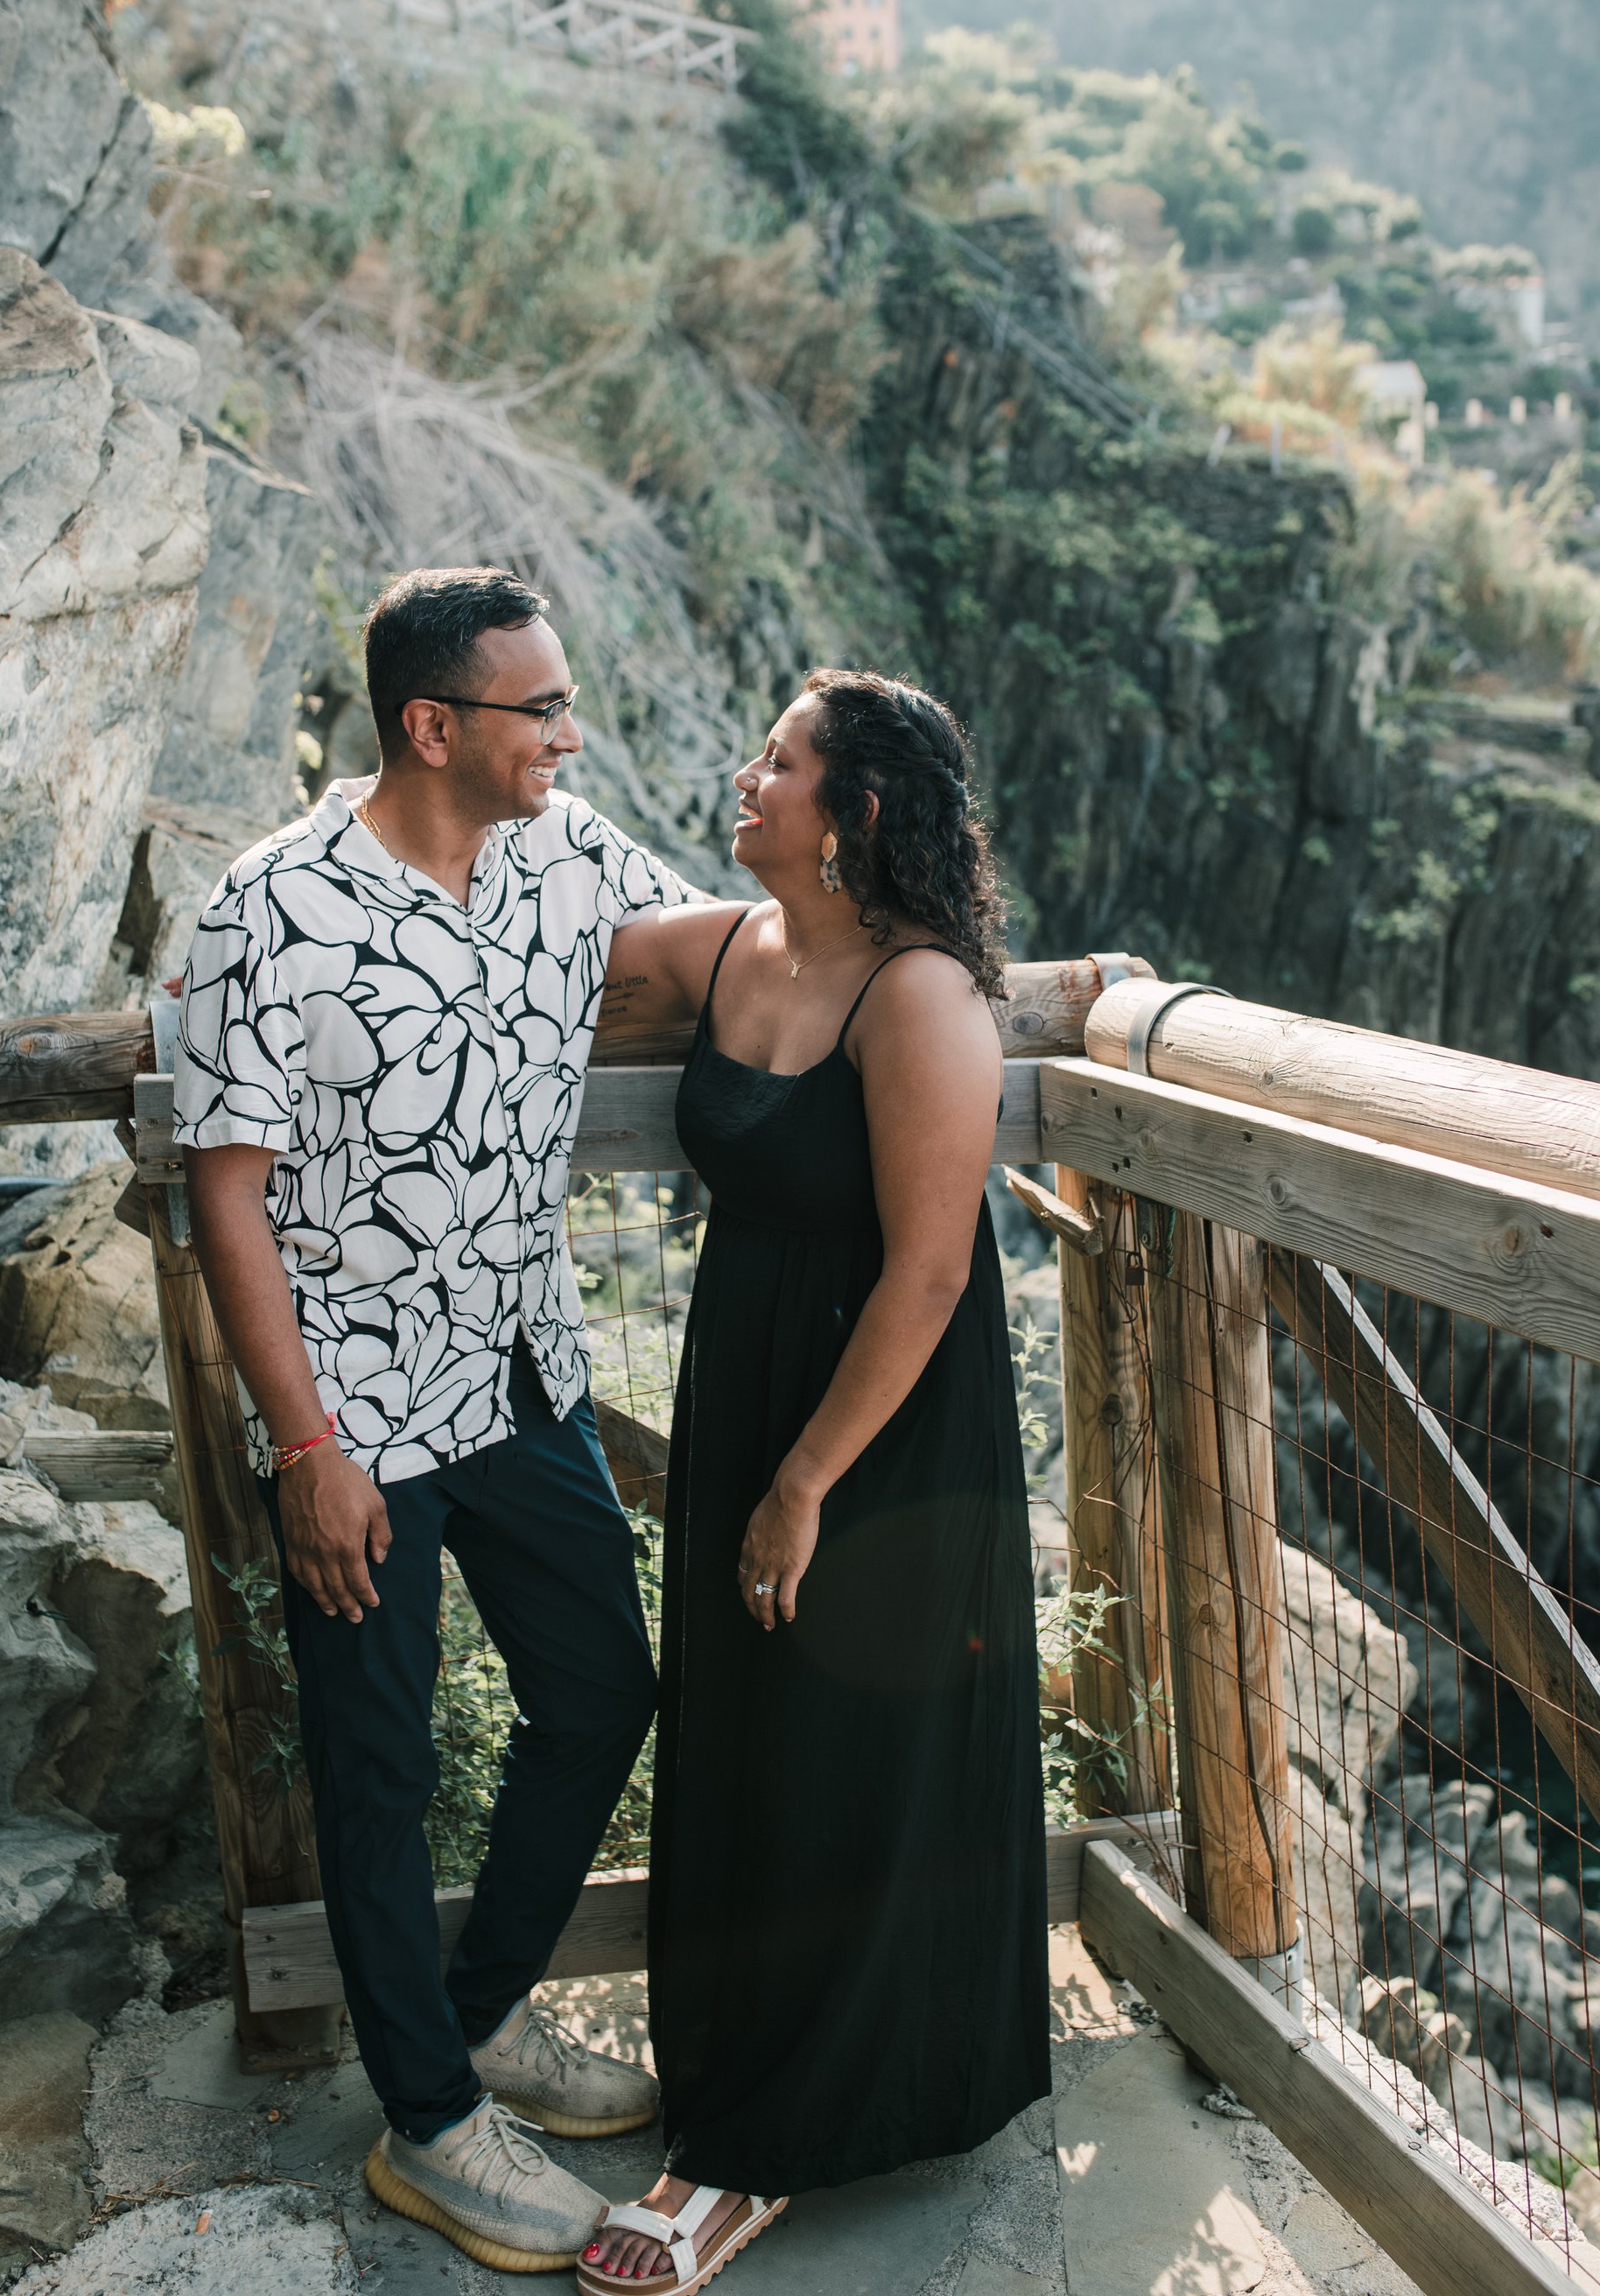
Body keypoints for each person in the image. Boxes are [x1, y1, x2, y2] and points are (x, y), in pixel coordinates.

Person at [174, 566, 705, 2274]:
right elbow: (227, 1196)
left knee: (605, 1692)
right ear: (433, 726)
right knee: (379, 1767)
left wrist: (915, 945)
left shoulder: (565, 851)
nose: (568, 730)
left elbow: (711, 950)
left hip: (524, 1377)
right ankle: (427, 2126)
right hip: (361, 1417)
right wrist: (308, 1451)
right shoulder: (267, 909)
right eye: (537, 708)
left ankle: (477, 2020)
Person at [577, 671, 1051, 2292]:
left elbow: (928, 1273)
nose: (745, 776)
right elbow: (529, 960)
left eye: (777, 764)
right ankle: (744, 2084)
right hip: (749, 1371)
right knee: (747, 1726)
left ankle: (754, 2154)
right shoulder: (727, 944)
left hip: (880, 1419)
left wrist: (802, 1483)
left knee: (847, 1748)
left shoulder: (919, 996)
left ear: (849, 816)